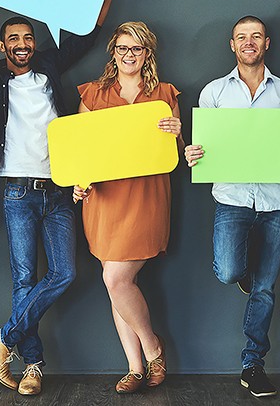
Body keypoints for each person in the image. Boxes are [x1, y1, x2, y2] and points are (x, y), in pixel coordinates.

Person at [0, 0, 121, 396]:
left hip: (59, 188)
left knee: (65, 273)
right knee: (24, 279)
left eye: (27, 38)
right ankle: (33, 366)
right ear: (4, 46)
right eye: (14, 39)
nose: (22, 45)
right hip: (15, 191)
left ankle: (2, 339)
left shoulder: (49, 66)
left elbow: (88, 34)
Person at [184, 16, 280, 398]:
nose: (249, 42)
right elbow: (203, 148)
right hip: (232, 199)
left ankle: (253, 364)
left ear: (267, 43)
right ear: (232, 45)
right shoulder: (214, 92)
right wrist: (193, 153)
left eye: (256, 36)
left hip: (277, 201)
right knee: (230, 272)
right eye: (242, 37)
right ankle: (245, 272)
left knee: (265, 289)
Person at [72, 21, 182, 393]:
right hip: (104, 198)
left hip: (147, 195)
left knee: (116, 279)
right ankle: (136, 367)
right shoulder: (94, 93)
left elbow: (179, 154)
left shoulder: (165, 93)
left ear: (147, 53)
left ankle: (153, 348)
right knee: (116, 281)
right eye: (123, 48)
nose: (130, 55)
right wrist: (79, 182)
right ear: (114, 53)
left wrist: (176, 133)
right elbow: (81, 149)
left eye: (137, 49)